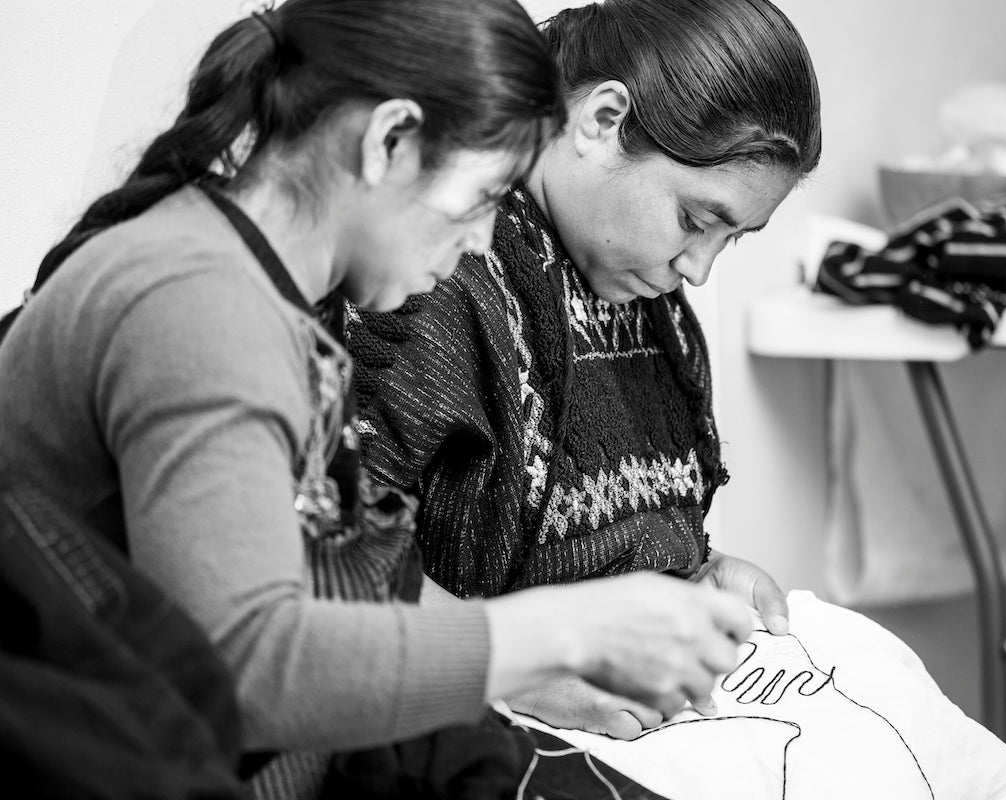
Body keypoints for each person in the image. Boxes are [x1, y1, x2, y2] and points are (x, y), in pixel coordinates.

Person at [0, 0, 752, 795]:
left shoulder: (264, 286)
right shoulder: (199, 306)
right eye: (483, 197)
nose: (481, 240)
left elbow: (346, 584)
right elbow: (249, 674)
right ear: (389, 140)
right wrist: (564, 633)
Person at [347, 0, 821, 740]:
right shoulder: (433, 276)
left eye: (733, 238)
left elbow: (594, 551)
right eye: (696, 221)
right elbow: (330, 562)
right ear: (601, 121)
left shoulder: (647, 305)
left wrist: (693, 572)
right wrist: (529, 670)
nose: (698, 269)